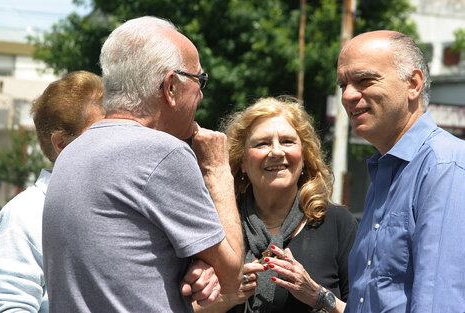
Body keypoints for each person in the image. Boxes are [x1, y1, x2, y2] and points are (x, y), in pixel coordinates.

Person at [42, 16, 243, 313]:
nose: (201, 94)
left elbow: (128, 256)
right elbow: (232, 273)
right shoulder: (164, 154)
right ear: (171, 87)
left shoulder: (71, 153)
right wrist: (217, 169)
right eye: (199, 81)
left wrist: (200, 264)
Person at [336, 30, 465, 312]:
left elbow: (438, 302)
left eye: (364, 81)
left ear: (413, 84)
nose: (347, 95)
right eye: (343, 84)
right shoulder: (385, 170)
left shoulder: (444, 166)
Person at [195, 96, 358, 313]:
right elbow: (177, 305)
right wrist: (228, 297)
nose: (276, 152)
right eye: (262, 143)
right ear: (242, 161)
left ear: (304, 157)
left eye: (288, 141)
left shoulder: (337, 224)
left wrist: (316, 295)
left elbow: (364, 308)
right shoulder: (217, 224)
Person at [0, 70, 105, 312]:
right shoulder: (25, 214)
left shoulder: (115, 207)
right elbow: (11, 306)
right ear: (61, 144)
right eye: (99, 135)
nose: (112, 144)